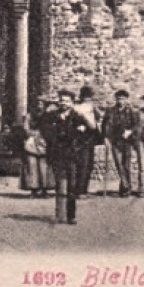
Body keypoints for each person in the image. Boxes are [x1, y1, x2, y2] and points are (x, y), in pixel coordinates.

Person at [51, 89, 80, 225]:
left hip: (72, 155)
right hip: (57, 154)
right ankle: (59, 214)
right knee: (59, 184)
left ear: (72, 103)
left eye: (67, 101)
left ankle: (71, 215)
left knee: (72, 186)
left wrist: (70, 134)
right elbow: (48, 132)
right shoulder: (52, 116)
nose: (64, 103)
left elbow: (86, 134)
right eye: (62, 100)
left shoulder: (77, 117)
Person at [102, 89, 138, 197]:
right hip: (115, 140)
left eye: (123, 99)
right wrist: (105, 137)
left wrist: (130, 131)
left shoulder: (131, 111)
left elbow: (136, 125)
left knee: (126, 165)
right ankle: (127, 185)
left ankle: (124, 189)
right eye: (119, 99)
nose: (121, 101)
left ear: (127, 100)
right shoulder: (110, 111)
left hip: (126, 141)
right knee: (118, 164)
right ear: (116, 99)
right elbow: (105, 125)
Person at [73, 85, 102, 198]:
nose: (88, 99)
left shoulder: (89, 107)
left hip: (89, 139)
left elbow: (98, 118)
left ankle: (83, 189)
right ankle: (80, 191)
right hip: (83, 139)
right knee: (84, 165)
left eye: (89, 97)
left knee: (87, 165)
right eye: (87, 97)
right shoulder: (79, 108)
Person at [20, 103, 51, 198]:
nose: (39, 106)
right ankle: (33, 190)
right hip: (32, 144)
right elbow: (25, 129)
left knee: (44, 167)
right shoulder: (29, 116)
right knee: (32, 166)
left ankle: (45, 189)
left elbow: (50, 129)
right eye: (38, 104)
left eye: (42, 104)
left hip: (44, 144)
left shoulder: (47, 116)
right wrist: (34, 134)